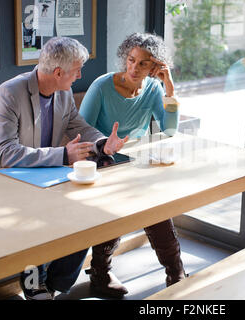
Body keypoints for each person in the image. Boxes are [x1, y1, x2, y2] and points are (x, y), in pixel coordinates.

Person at [0, 37, 129, 300]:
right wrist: (63, 154)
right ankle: (35, 284)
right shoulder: (8, 94)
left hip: (43, 174)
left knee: (89, 212)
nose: (79, 76)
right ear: (58, 72)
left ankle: (54, 284)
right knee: (39, 216)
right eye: (77, 70)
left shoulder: (62, 92)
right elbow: (6, 154)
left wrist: (103, 142)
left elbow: (77, 124)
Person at [79, 32, 185, 298]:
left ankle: (176, 273)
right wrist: (105, 147)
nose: (134, 68)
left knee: (155, 205)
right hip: (100, 160)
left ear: (155, 67)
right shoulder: (102, 86)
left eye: (143, 63)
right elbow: (80, 132)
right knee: (122, 205)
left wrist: (169, 88)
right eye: (131, 60)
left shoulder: (153, 89)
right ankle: (100, 271)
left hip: (134, 162)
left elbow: (169, 130)